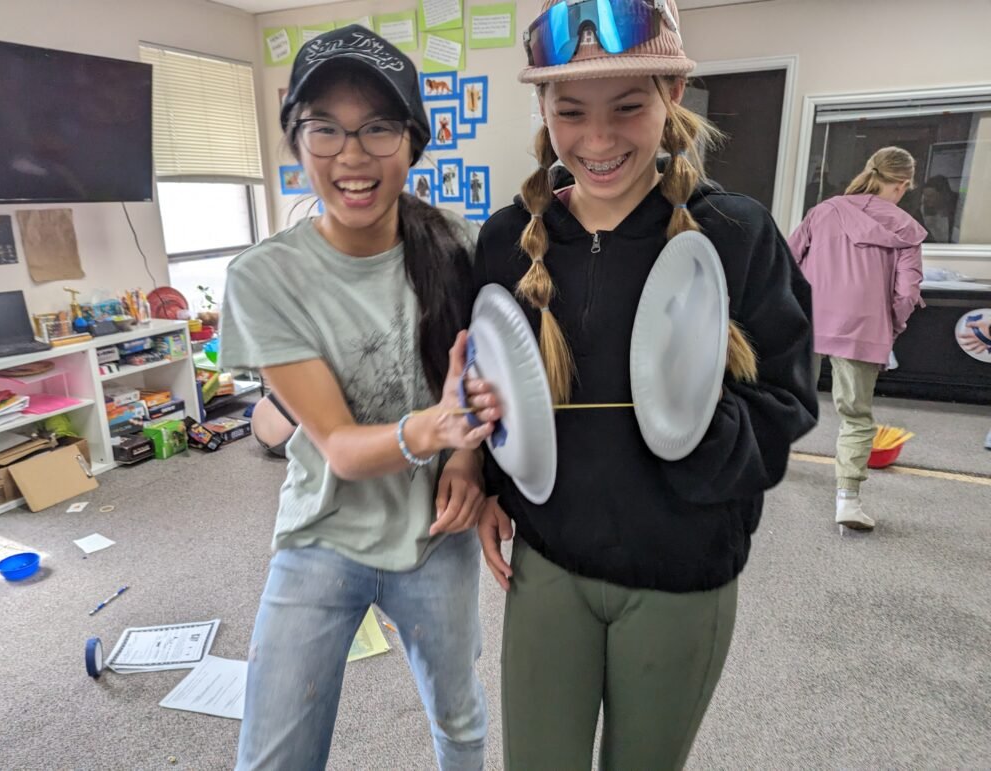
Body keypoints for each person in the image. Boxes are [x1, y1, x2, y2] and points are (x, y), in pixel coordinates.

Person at [469, 1, 818, 767]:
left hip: (680, 570)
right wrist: (490, 478)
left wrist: (693, 431)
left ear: (673, 94)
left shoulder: (737, 234)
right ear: (544, 108)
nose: (598, 140)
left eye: (627, 107)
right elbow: (487, 379)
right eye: (571, 111)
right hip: (549, 561)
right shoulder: (505, 240)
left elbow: (787, 401)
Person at [219, 26, 501, 770]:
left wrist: (467, 461)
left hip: (435, 535)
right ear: (296, 141)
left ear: (412, 142)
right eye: (325, 128)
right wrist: (437, 430)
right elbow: (340, 448)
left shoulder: (461, 248)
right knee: (273, 754)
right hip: (322, 533)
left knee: (460, 720)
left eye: (378, 127)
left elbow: (484, 382)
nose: (351, 155)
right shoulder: (263, 278)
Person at [788, 147, 926, 532]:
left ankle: (768, 460)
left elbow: (787, 261)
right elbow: (907, 292)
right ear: (902, 184)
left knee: (787, 394)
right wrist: (891, 325)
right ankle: (847, 500)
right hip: (864, 328)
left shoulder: (823, 212)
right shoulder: (907, 228)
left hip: (809, 320)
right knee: (856, 415)